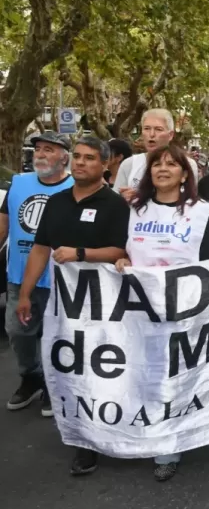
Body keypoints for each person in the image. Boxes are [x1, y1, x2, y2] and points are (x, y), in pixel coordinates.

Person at [16, 136, 130, 476]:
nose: (80, 163)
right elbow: (41, 248)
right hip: (63, 305)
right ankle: (84, 441)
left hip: (105, 306)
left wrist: (81, 254)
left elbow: (122, 252)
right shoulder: (57, 202)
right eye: (77, 157)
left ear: (105, 165)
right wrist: (25, 293)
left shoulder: (114, 205)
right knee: (72, 369)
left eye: (90, 158)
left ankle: (108, 433)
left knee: (102, 371)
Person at [115, 144, 209, 481]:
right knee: (140, 373)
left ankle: (168, 448)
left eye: (171, 164)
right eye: (156, 164)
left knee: (173, 377)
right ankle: (139, 434)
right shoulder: (133, 209)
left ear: (184, 174)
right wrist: (120, 259)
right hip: (137, 306)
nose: (163, 169)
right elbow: (120, 246)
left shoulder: (201, 211)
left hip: (182, 308)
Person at [1, 131, 74, 416]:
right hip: (20, 276)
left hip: (62, 279)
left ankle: (53, 385)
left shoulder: (76, 188)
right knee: (17, 331)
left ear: (64, 157)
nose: (41, 154)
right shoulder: (18, 183)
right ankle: (31, 376)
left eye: (49, 150)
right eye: (38, 149)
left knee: (57, 337)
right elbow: (3, 224)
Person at [114, 109, 198, 200]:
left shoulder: (187, 164)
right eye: (147, 128)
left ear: (170, 135)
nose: (152, 134)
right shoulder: (129, 164)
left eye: (158, 129)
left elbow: (191, 198)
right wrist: (122, 199)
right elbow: (114, 200)